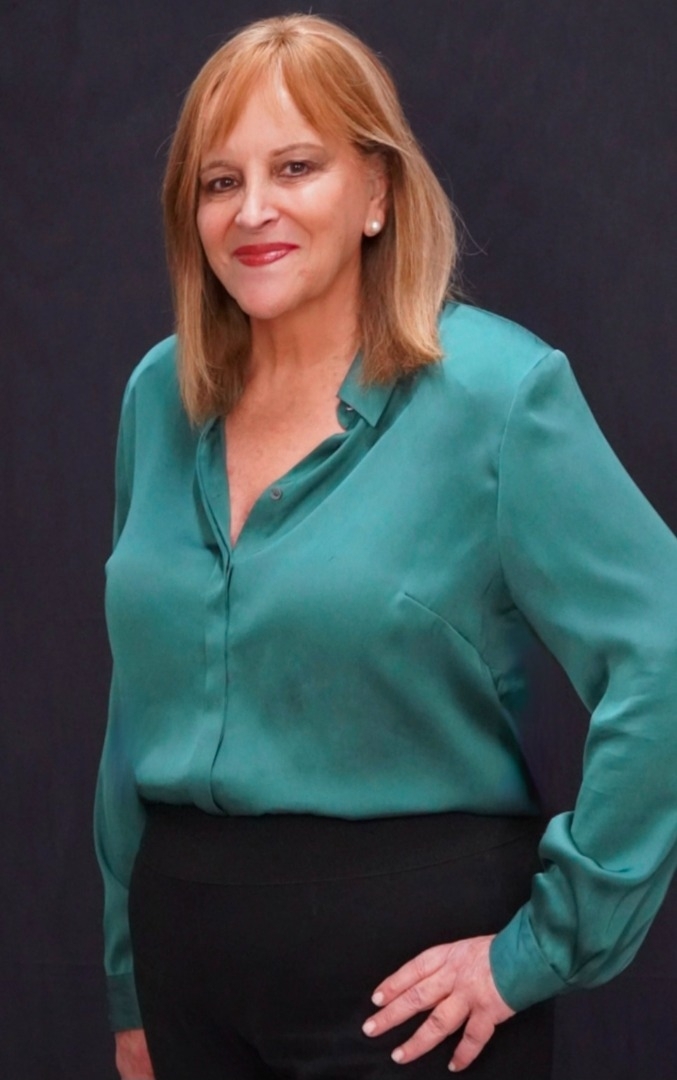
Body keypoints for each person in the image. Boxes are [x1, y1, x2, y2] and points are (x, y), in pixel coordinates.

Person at [94, 13, 677, 1080]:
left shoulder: (496, 395)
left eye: (295, 167)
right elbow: (137, 707)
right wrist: (132, 987)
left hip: (410, 995)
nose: (252, 209)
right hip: (185, 972)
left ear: (376, 192)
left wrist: (540, 949)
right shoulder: (157, 396)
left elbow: (662, 652)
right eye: (219, 181)